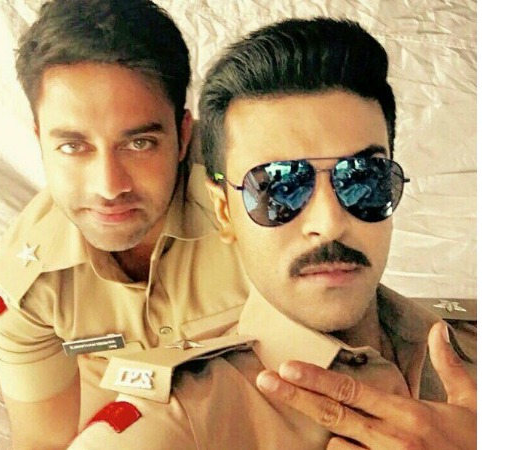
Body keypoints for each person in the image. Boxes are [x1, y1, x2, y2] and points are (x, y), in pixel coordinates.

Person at [67, 17, 477, 449]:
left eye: (363, 179)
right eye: (279, 188)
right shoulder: (177, 421)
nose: (329, 223)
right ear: (224, 211)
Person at [0, 0, 251, 448]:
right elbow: (44, 441)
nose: (109, 187)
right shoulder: (25, 286)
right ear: (40, 140)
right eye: (73, 147)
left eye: (139, 143)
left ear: (184, 134)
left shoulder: (256, 203)